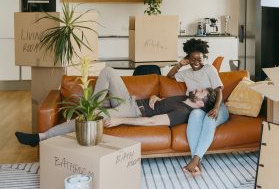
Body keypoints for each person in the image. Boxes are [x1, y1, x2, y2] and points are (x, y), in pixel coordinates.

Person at [15, 67, 216, 147]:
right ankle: (94, 105)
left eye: (201, 92)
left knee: (89, 118)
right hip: (131, 100)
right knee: (108, 71)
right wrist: (154, 94)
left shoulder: (184, 112)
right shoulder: (183, 98)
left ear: (201, 103)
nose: (197, 89)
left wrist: (120, 119)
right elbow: (160, 98)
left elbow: (153, 120)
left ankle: (40, 137)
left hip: (132, 111)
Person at [167, 38, 229, 176]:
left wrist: (217, 108)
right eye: (192, 59)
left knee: (209, 119)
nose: (196, 63)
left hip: (217, 107)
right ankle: (197, 163)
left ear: (204, 58)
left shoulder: (209, 69)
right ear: (188, 58)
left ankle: (195, 160)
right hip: (199, 108)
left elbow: (219, 90)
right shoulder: (186, 73)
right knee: (194, 115)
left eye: (199, 59)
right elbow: (170, 76)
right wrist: (180, 64)